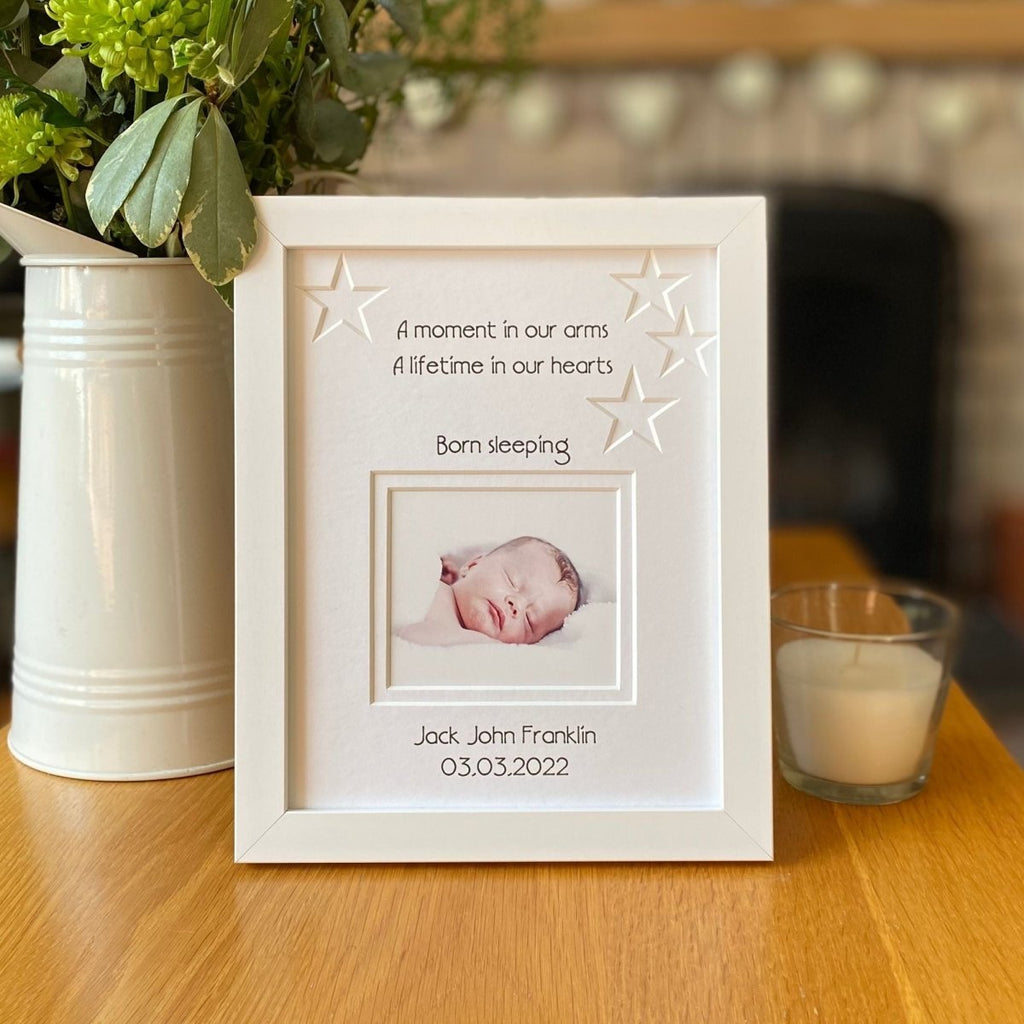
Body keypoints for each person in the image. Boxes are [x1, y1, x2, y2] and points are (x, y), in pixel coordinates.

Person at [398, 536, 581, 646]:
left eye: (530, 620)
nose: (516, 605)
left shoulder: (479, 650)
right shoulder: (431, 579)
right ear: (472, 564)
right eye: (512, 581)